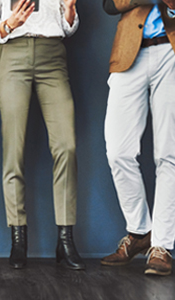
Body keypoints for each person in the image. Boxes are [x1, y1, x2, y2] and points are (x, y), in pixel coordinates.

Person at [0, 0, 85, 270]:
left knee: (66, 146)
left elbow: (69, 27)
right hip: (13, 55)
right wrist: (9, 24)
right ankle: (18, 238)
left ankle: (65, 240)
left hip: (53, 55)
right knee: (13, 149)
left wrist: (70, 10)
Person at [101, 0, 175, 276]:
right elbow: (109, 4)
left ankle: (162, 246)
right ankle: (141, 231)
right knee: (118, 151)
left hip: (171, 51)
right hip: (129, 51)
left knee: (169, 153)